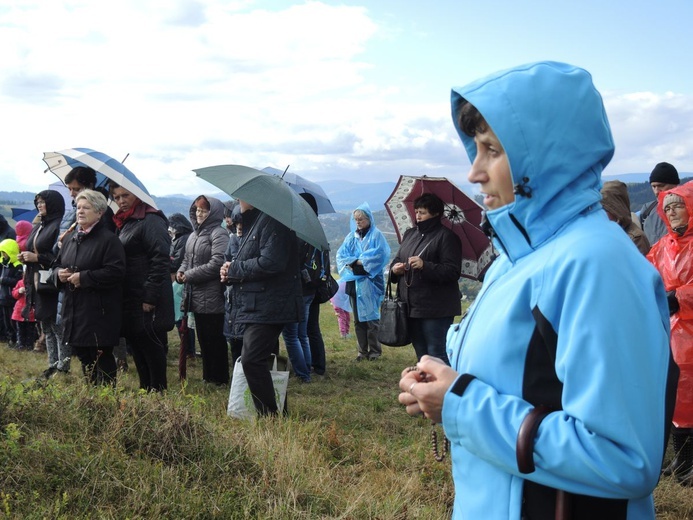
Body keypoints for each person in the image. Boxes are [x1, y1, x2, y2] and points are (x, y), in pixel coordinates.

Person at [398, 62, 678, 519]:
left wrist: (460, 405)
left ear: (543, 155)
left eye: (491, 150)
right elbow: (527, 378)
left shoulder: (597, 265)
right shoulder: (517, 258)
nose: (474, 171)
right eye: (475, 148)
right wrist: (446, 378)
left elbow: (625, 458)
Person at [220, 199, 302, 416]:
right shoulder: (256, 222)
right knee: (264, 358)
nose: (239, 202)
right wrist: (230, 270)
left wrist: (236, 268)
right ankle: (279, 410)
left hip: (270, 304)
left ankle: (269, 416)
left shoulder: (273, 222)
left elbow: (271, 262)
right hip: (260, 302)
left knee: (252, 359)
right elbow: (249, 260)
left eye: (241, 198)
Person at [54, 190, 126, 385]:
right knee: (84, 356)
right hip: (74, 308)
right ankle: (91, 396)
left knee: (101, 357)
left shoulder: (109, 240)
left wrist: (84, 278)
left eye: (86, 208)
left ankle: (106, 400)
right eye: (78, 207)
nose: (80, 212)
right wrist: (59, 274)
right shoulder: (70, 238)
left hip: (99, 311)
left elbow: (116, 272)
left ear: (100, 212)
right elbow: (57, 265)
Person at [647, 186, 693, 485]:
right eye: (669, 207)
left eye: (679, 205)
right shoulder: (662, 245)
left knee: (687, 395)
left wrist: (678, 297)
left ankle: (686, 462)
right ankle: (683, 458)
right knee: (675, 395)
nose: (672, 211)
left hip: (688, 331)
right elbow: (645, 274)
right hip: (668, 330)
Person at [111, 183, 174, 392]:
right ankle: (145, 391)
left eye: (125, 195)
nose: (121, 201)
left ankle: (158, 393)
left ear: (137, 195)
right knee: (137, 346)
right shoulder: (126, 222)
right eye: (116, 197)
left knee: (152, 346)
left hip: (147, 297)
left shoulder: (151, 220)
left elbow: (160, 259)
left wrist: (150, 296)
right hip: (131, 295)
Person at [390, 193, 462, 365]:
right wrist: (395, 269)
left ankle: (443, 389)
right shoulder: (410, 234)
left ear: (436, 213)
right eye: (416, 212)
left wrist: (425, 265)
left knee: (436, 352)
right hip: (411, 305)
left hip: (436, 308)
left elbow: (452, 271)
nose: (418, 216)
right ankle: (426, 387)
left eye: (422, 212)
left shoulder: (447, 237)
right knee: (421, 352)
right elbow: (398, 258)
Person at [177, 196, 230, 386]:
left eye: (204, 211)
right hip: (196, 295)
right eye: (198, 210)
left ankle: (220, 378)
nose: (199, 214)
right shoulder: (194, 235)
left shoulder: (218, 234)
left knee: (214, 338)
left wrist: (189, 275)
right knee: (204, 339)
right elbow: (186, 259)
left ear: (212, 213)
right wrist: (181, 272)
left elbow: (217, 263)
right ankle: (208, 376)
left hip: (212, 295)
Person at [19, 190, 67, 377]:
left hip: (50, 279)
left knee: (56, 325)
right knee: (45, 324)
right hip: (36, 279)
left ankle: (63, 367)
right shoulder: (40, 225)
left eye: (43, 202)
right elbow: (31, 248)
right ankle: (52, 364)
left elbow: (60, 256)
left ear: (53, 204)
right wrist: (26, 257)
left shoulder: (59, 226)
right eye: (37, 202)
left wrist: (36, 257)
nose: (39, 205)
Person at [336, 203, 390, 361]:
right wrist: (356, 261)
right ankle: (362, 351)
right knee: (358, 319)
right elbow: (341, 255)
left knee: (372, 319)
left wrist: (359, 261)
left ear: (369, 219)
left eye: (361, 219)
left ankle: (374, 352)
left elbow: (380, 254)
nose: (358, 222)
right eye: (356, 219)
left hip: (371, 282)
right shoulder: (351, 236)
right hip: (354, 282)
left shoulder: (376, 235)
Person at [169, 213, 196, 361]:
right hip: (179, 281)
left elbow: (178, 261)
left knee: (181, 317)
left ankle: (188, 351)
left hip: (179, 282)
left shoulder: (183, 239)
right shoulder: (184, 238)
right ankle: (188, 350)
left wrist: (166, 260)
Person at [601, 180, 650, 255]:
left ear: (616, 210)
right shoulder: (607, 232)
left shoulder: (636, 238)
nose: (602, 214)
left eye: (605, 210)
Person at [640, 162, 680, 245]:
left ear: (675, 185)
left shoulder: (688, 209)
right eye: (653, 186)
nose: (656, 191)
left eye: (661, 185)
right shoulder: (647, 210)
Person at [223, 205, 244, 365]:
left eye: (242, 224)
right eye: (236, 224)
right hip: (232, 297)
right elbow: (226, 260)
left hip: (248, 299)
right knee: (234, 339)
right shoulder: (233, 240)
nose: (239, 228)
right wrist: (225, 272)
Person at [0, 239, 22, 347]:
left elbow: (18, 282)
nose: (3, 256)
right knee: (6, 321)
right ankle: (10, 339)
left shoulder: (18, 266)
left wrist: (3, 280)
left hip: (12, 298)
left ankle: (16, 339)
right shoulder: (4, 265)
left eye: (4, 253)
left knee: (13, 321)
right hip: (3, 297)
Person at [11, 276, 36, 351]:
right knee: (20, 330)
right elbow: (14, 294)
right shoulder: (20, 282)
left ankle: (29, 345)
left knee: (30, 330)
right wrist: (19, 291)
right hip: (20, 311)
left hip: (31, 311)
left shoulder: (35, 283)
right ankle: (21, 345)